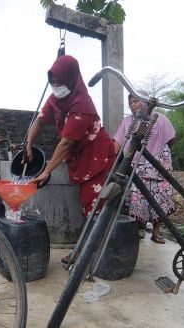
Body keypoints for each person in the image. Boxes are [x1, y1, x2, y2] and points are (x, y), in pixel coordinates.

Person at [23, 55, 116, 264]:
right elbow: (40, 120)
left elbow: (65, 143)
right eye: (53, 82)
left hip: (96, 157)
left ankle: (94, 256)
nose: (56, 87)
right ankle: (87, 252)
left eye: (60, 82)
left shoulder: (81, 103)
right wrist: (28, 144)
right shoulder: (56, 99)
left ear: (72, 79)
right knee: (88, 207)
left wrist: (47, 171)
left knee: (94, 207)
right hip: (80, 157)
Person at [113, 93, 176, 244]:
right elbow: (117, 143)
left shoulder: (159, 118)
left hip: (158, 163)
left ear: (145, 102)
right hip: (136, 164)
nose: (133, 105)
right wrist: (111, 160)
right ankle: (139, 227)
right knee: (137, 197)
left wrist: (160, 153)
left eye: (136, 101)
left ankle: (156, 231)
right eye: (131, 102)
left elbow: (171, 138)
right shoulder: (127, 121)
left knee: (160, 197)